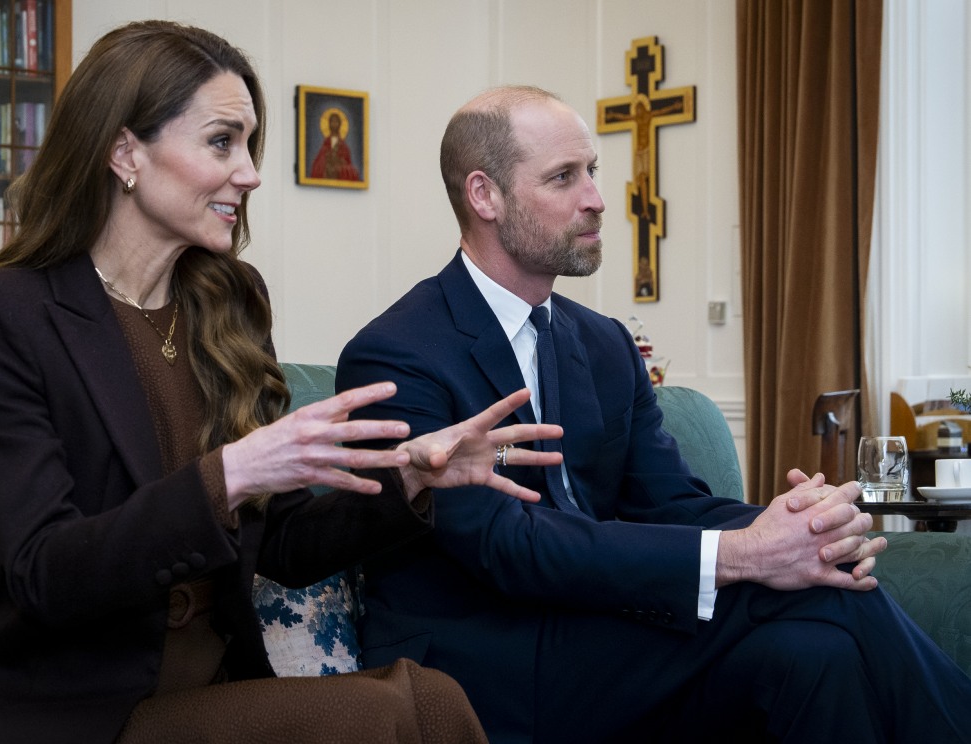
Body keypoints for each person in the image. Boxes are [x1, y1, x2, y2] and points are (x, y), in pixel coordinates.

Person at [0, 27, 564, 744]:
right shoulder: (3, 310)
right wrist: (226, 476)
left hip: (216, 689)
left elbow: (285, 546)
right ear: (126, 152)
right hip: (83, 712)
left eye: (250, 146)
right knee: (397, 709)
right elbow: (44, 574)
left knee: (432, 701)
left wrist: (410, 478)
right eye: (222, 142)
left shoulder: (230, 302)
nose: (251, 174)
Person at [336, 85, 971, 743]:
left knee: (817, 652)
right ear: (484, 195)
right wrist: (745, 554)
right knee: (819, 598)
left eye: (592, 171)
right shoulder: (398, 353)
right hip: (482, 661)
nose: (596, 198)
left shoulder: (603, 343)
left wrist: (797, 528)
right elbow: (508, 547)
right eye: (563, 177)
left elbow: (674, 503)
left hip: (599, 635)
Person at [310, 111, 360, 181]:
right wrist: (327, 157)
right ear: (329, 124)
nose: (334, 124)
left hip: (339, 167)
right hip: (327, 166)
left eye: (336, 122)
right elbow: (320, 158)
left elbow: (347, 160)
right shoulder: (326, 142)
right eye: (332, 121)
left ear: (339, 124)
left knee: (352, 171)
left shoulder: (343, 145)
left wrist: (340, 161)